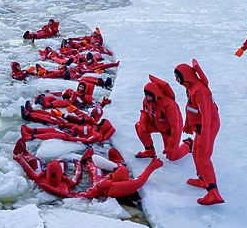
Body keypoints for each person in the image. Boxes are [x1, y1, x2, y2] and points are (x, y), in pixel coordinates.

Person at [173, 59, 224, 205]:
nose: (176, 80)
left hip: (207, 127)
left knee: (203, 157)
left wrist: (205, 134)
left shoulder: (200, 91)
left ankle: (213, 192)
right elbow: (191, 108)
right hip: (200, 127)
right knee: (195, 152)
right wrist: (189, 125)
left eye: (178, 77)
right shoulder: (191, 88)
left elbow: (206, 114)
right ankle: (203, 179)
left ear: (185, 76)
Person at [79, 147, 163, 199]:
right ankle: (120, 163)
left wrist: (74, 194)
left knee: (95, 171)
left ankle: (87, 160)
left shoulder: (106, 183)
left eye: (113, 173)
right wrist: (153, 166)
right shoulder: (132, 183)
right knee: (119, 166)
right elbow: (141, 179)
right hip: (116, 184)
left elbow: (90, 193)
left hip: (106, 189)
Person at [134, 75, 185, 160]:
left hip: (168, 130)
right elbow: (145, 112)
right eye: (146, 95)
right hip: (156, 124)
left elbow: (176, 127)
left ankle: (188, 144)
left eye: (150, 96)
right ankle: (149, 151)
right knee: (139, 125)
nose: (148, 98)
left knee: (172, 157)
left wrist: (171, 144)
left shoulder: (169, 105)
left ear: (156, 94)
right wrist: (143, 121)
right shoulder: (147, 100)